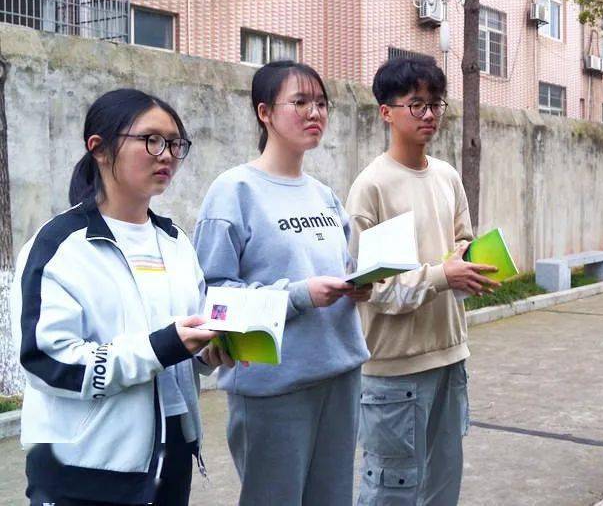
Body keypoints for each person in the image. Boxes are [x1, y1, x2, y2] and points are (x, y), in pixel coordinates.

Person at [14, 89, 222, 506]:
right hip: (85, 468)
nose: (166, 155)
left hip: (171, 456)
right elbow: (47, 361)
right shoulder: (60, 245)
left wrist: (209, 351)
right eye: (151, 140)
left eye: (175, 143)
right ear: (100, 149)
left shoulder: (175, 241)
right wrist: (161, 346)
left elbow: (185, 339)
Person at [194, 61, 371, 506]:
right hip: (273, 387)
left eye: (322, 104)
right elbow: (212, 297)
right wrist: (299, 295)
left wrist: (360, 285)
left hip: (340, 373)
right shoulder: (234, 190)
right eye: (300, 102)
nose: (315, 113)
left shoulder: (324, 194)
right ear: (264, 112)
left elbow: (342, 266)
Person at [345, 56, 498, 505]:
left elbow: (461, 242)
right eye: (416, 104)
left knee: (441, 487)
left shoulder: (448, 176)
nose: (429, 114)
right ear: (386, 112)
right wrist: (441, 275)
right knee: (390, 491)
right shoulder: (371, 187)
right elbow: (373, 289)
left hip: (450, 357)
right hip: (394, 370)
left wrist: (469, 266)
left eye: (436, 104)